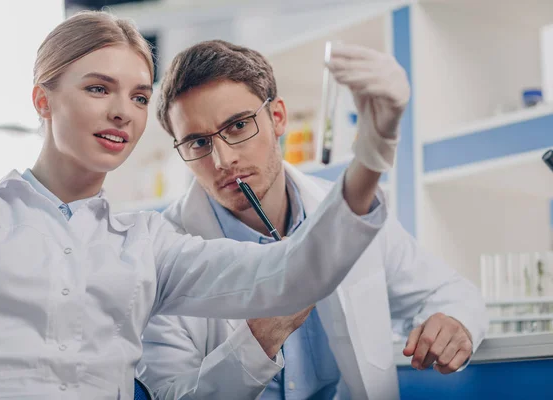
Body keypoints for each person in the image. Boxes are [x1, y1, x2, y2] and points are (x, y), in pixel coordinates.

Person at [0, 12, 400, 400]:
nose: (123, 112)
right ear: (42, 100)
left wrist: (373, 153)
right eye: (98, 88)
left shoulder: (149, 245)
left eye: (140, 97)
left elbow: (293, 271)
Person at [137, 40, 489, 399]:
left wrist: (455, 321)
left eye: (239, 126)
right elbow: (169, 395)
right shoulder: (163, 253)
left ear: (277, 118)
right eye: (197, 143)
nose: (223, 160)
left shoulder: (342, 213)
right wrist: (256, 343)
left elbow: (452, 293)